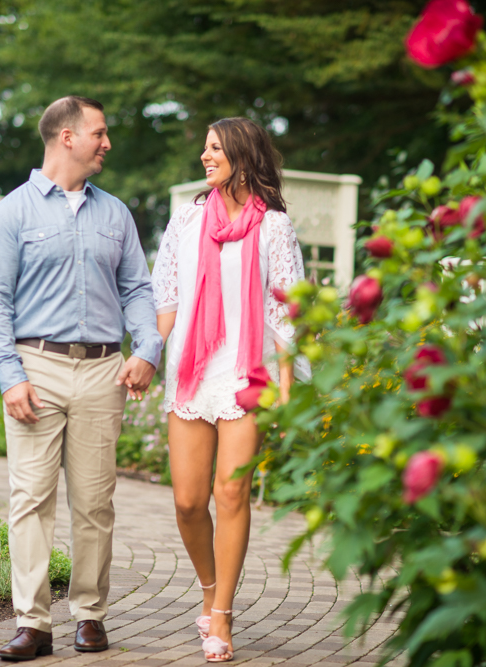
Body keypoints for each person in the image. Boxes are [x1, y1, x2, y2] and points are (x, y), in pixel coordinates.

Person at [0, 95, 162, 660]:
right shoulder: (12, 213)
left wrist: (147, 349)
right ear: (67, 137)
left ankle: (90, 615)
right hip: (36, 368)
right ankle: (32, 624)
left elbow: (138, 290)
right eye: (99, 133)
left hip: (104, 371)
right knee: (30, 499)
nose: (107, 143)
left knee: (95, 501)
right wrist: (9, 376)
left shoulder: (117, 214)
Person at [151, 117, 308, 662]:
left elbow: (286, 309)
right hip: (192, 371)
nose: (204, 155)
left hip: (248, 374)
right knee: (189, 501)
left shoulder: (275, 228)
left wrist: (286, 386)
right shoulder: (187, 222)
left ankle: (221, 617)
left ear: (242, 155)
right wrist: (147, 356)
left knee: (231, 492)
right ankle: (209, 588)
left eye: (214, 147)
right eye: (204, 147)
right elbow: (166, 299)